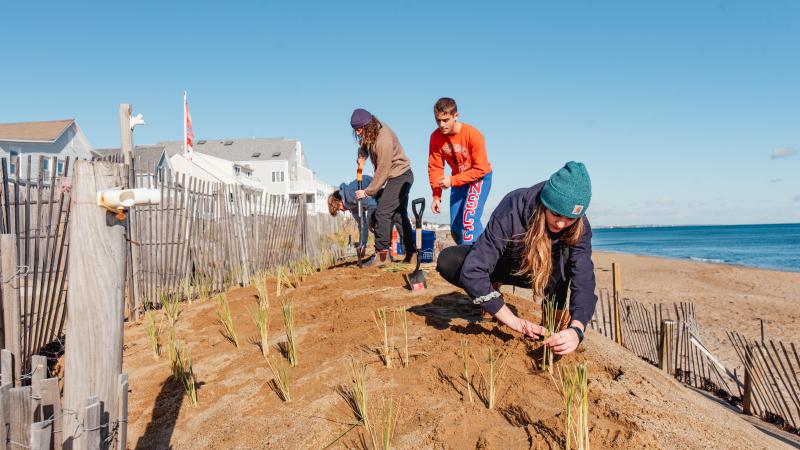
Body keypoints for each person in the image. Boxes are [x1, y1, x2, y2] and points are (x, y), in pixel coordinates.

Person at [436, 161, 596, 356]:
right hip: (506, 266)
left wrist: (577, 330)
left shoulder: (580, 226)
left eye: (569, 218)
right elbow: (474, 269)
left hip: (543, 276)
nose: (561, 223)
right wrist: (513, 321)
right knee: (449, 261)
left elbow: (584, 279)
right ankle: (491, 291)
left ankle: (555, 321)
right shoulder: (514, 205)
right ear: (546, 202)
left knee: (566, 261)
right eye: (555, 214)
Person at [350, 108, 416, 266]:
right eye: (355, 130)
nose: (358, 133)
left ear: (367, 126)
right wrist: (362, 154)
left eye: (359, 129)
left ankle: (382, 256)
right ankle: (412, 254)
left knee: (382, 212)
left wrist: (366, 192)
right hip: (394, 176)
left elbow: (382, 171)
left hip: (400, 176)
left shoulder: (383, 139)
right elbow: (364, 145)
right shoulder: (371, 132)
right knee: (399, 216)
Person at [428, 97, 493, 245]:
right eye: (438, 120)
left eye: (446, 120)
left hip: (480, 177)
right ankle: (466, 254)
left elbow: (480, 169)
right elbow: (435, 166)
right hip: (458, 180)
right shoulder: (435, 137)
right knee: (456, 228)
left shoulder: (473, 135)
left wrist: (451, 181)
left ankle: (476, 263)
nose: (441, 125)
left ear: (455, 116)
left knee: (469, 220)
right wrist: (436, 195)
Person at [327, 175, 378, 252]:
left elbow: (373, 205)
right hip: (375, 199)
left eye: (339, 209)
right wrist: (362, 244)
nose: (343, 211)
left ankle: (382, 253)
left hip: (378, 187)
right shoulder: (352, 207)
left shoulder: (350, 195)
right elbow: (362, 225)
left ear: (339, 202)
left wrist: (370, 222)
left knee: (377, 220)